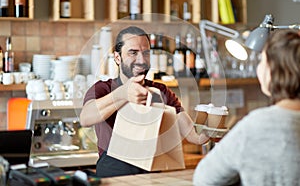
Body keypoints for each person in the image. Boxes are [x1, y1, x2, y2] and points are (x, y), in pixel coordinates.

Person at [80, 26, 208, 178]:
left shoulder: (161, 91)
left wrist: (210, 130)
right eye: (133, 53)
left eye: (146, 53)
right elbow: (85, 118)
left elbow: (193, 135)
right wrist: (122, 94)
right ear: (117, 57)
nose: (141, 60)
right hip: (113, 177)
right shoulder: (103, 89)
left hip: (152, 175)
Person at [193, 29, 300, 186]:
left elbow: (204, 178)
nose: (258, 69)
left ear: (273, 72)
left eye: (263, 61)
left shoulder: (257, 125)